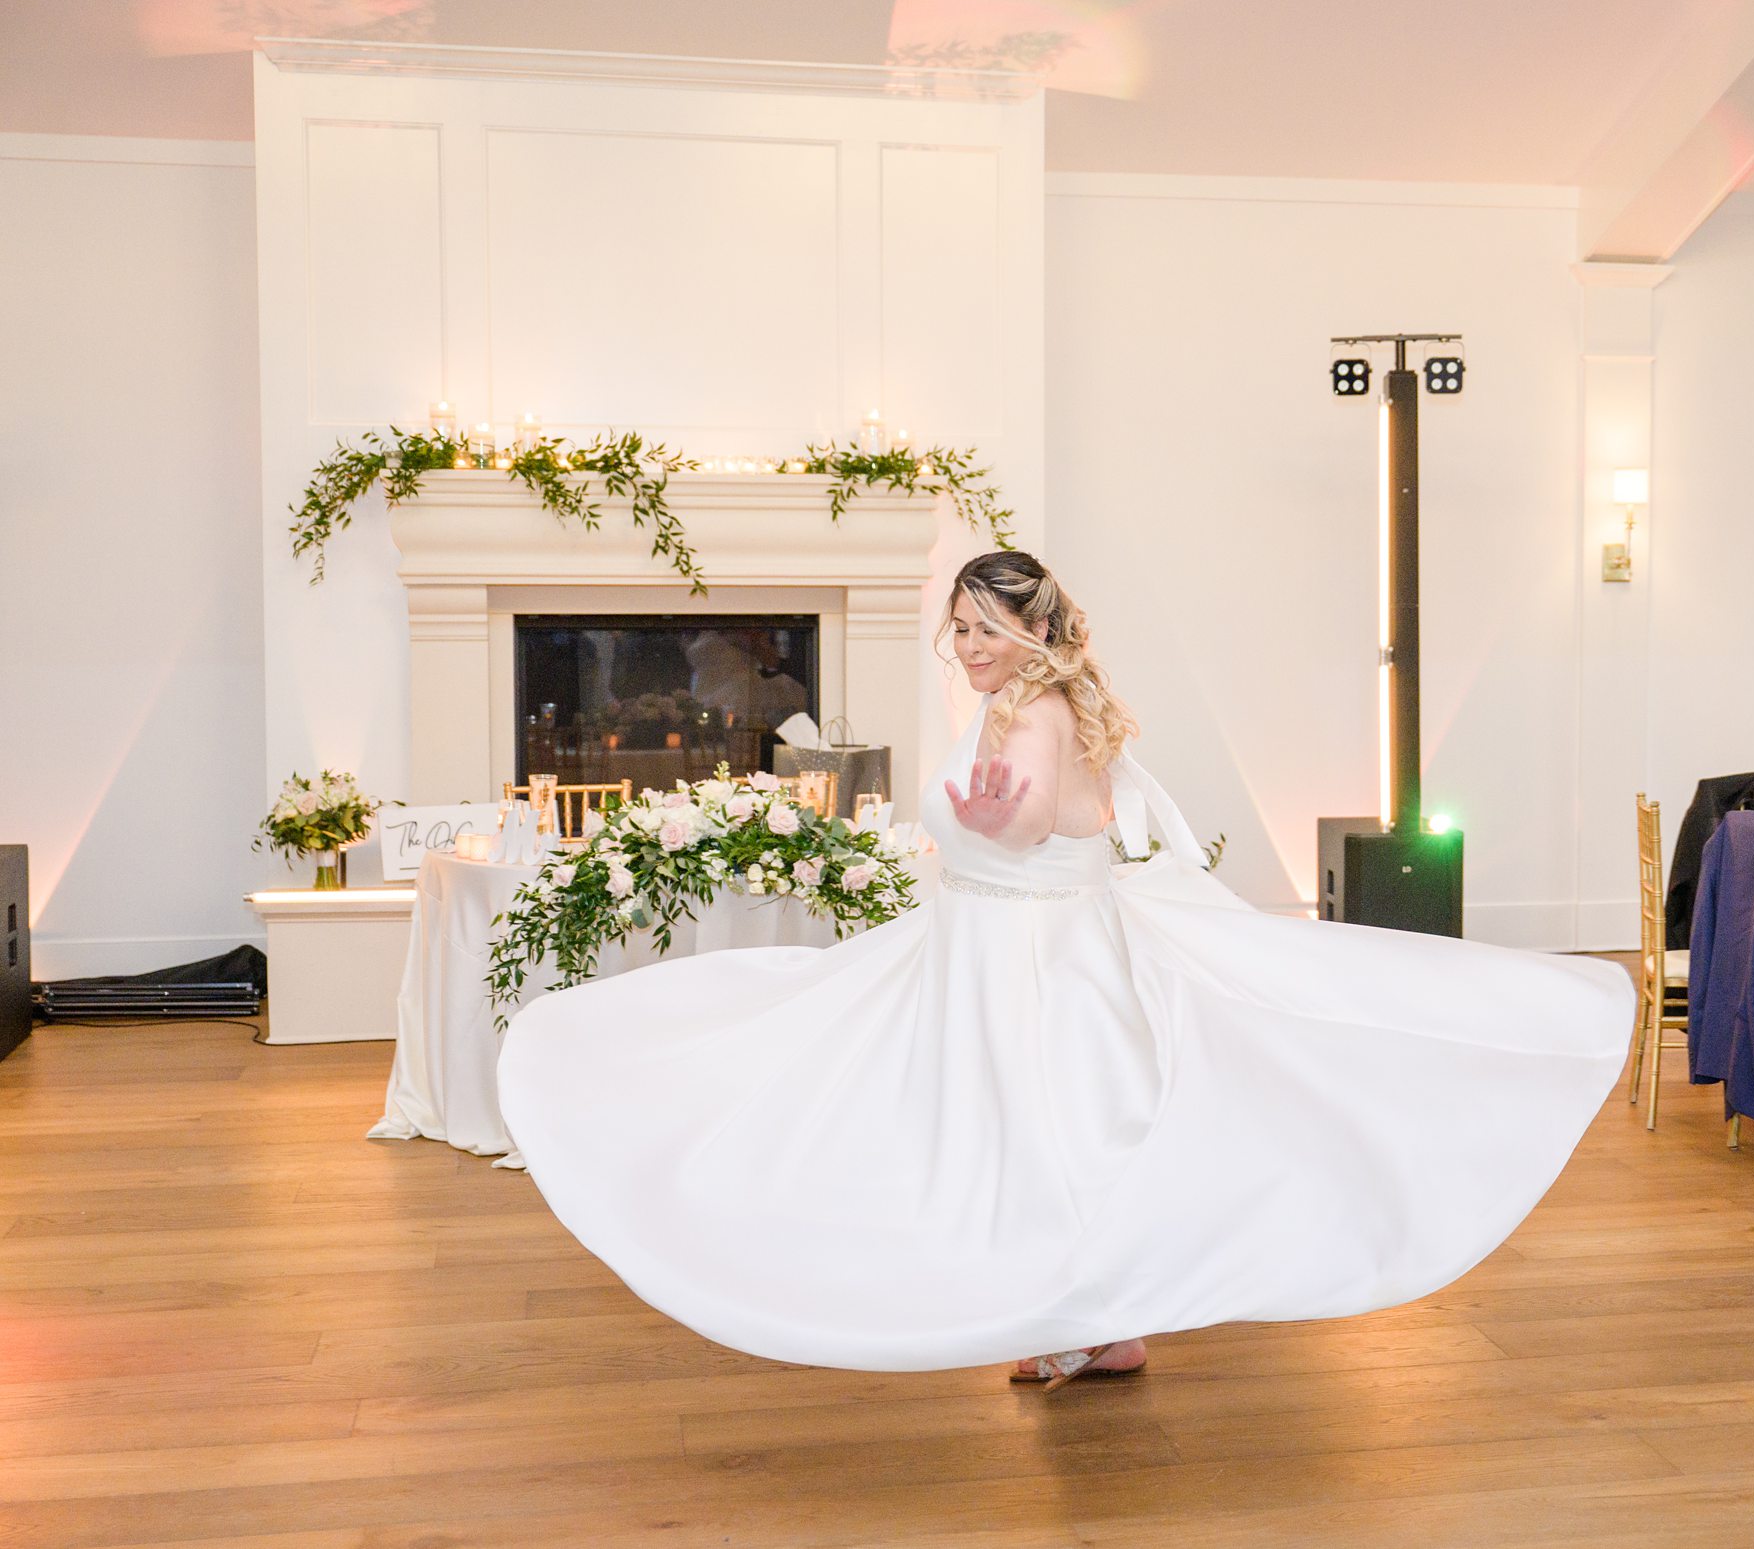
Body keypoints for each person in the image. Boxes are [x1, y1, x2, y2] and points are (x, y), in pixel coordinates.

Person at [496, 550, 1633, 1388]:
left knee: (1034, 1121)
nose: (971, 648)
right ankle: (1096, 1319)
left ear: (1032, 628)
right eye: (961, 631)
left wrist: (1001, 815)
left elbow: (1043, 815)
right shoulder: (1034, 702)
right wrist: (1001, 819)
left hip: (1027, 949)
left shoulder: (1028, 713)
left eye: (986, 628)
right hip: (1000, 934)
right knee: (1027, 1116)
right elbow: (1080, 811)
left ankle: (1076, 1311)